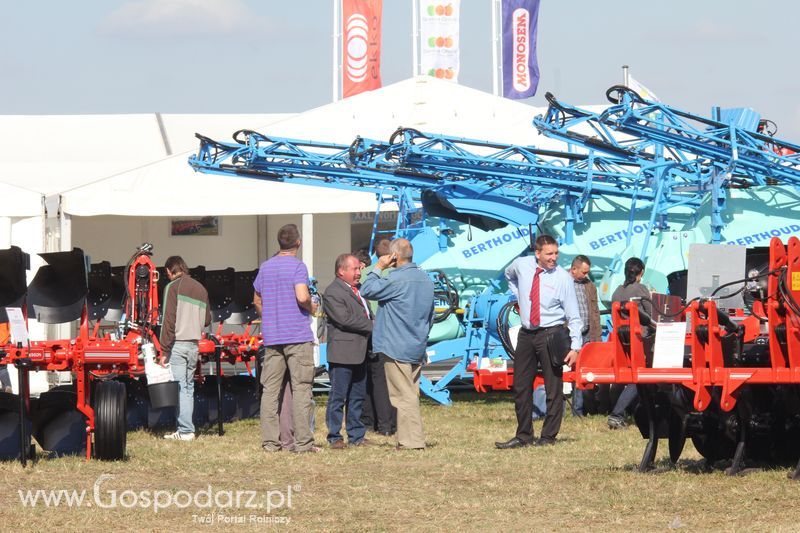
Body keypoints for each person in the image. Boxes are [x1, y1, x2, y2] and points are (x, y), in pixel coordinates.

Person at [496, 234, 583, 449]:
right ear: (537, 254)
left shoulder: (563, 277)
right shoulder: (522, 265)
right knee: (521, 386)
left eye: (556, 253)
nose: (554, 258)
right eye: (549, 254)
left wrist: (575, 347)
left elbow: (574, 315)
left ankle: (548, 437)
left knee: (554, 388)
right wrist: (520, 297)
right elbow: (508, 275)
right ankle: (523, 435)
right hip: (527, 334)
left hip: (551, 334)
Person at [360, 238, 434, 450]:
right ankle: (405, 439)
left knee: (404, 396)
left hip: (395, 345)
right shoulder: (425, 279)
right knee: (410, 392)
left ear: (393, 256)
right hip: (416, 343)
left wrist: (378, 267)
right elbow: (430, 316)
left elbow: (367, 290)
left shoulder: (395, 279)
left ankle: (413, 441)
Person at [254, 223, 319, 453]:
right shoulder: (298, 266)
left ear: (279, 243)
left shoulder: (266, 267)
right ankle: (303, 443)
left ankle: (270, 443)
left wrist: (270, 316)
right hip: (297, 336)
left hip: (272, 337)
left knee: (270, 390)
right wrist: (311, 307)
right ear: (298, 243)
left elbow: (257, 300)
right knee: (301, 388)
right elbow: (302, 295)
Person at [323, 254, 374, 449]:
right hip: (343, 353)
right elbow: (344, 319)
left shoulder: (358, 291)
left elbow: (366, 313)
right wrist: (374, 325)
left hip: (361, 350)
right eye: (355, 269)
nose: (359, 273)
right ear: (341, 271)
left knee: (357, 396)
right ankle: (334, 436)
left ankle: (356, 435)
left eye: (359, 269)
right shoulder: (332, 292)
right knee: (338, 396)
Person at [160, 256, 211, 441]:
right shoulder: (201, 288)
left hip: (178, 345)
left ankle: (185, 431)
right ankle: (186, 430)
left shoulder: (172, 288)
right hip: (193, 346)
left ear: (169, 271)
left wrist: (164, 350)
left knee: (181, 388)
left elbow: (168, 320)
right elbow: (207, 320)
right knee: (188, 388)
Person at [357, 239, 397, 436]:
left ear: (375, 253)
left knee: (374, 380)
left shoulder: (365, 274)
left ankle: (375, 423)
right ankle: (391, 423)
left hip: (372, 331)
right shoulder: (399, 274)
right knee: (393, 380)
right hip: (395, 333)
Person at [607, 257, 652, 430]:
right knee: (639, 377)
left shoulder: (617, 292)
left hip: (623, 341)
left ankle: (624, 410)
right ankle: (617, 414)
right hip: (640, 340)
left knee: (625, 377)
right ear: (640, 273)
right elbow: (651, 315)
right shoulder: (641, 289)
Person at [569, 255, 602, 416]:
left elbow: (595, 313)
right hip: (571, 334)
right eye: (583, 272)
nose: (586, 275)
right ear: (573, 270)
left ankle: (589, 408)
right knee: (576, 372)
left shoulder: (589, 286)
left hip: (588, 333)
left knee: (587, 372)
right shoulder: (564, 284)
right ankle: (577, 410)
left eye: (587, 272)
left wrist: (596, 337)